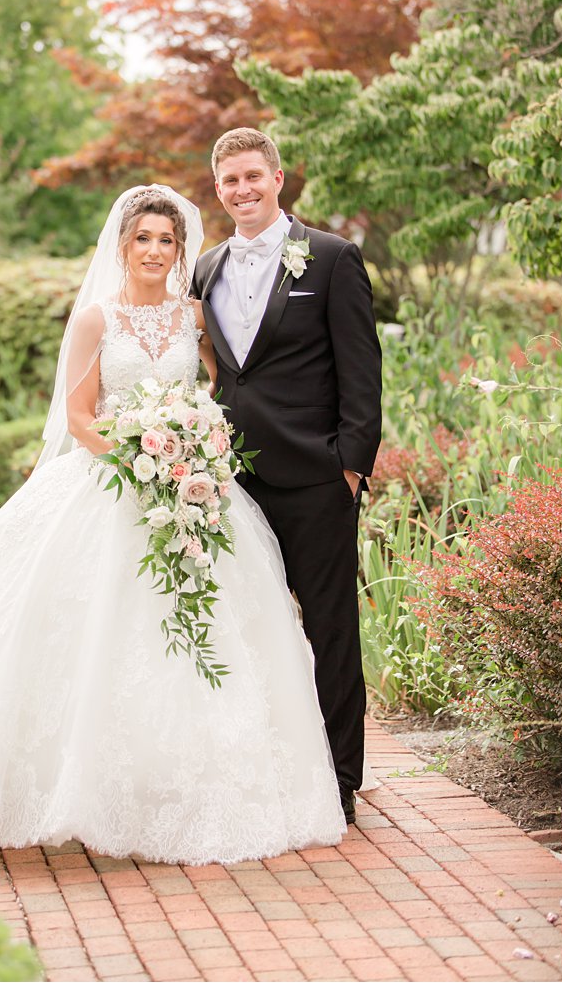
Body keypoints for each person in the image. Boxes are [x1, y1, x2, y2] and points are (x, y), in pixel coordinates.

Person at [0, 185, 348, 865]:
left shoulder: (194, 317)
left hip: (191, 487)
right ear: (121, 245)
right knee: (86, 635)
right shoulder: (95, 320)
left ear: (181, 250)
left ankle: (182, 783)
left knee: (203, 634)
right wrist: (138, 452)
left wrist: (194, 444)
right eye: (142, 238)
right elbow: (80, 415)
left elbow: (217, 391)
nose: (153, 251)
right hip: (111, 483)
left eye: (166, 241)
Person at [191, 129, 382, 824]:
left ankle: (340, 779)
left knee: (330, 630)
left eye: (251, 176)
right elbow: (211, 370)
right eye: (228, 181)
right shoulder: (205, 269)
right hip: (230, 483)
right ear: (218, 190)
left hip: (315, 479)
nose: (241, 190)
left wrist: (350, 469)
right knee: (247, 629)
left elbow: (362, 374)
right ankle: (266, 765)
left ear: (278, 178)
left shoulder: (331, 258)